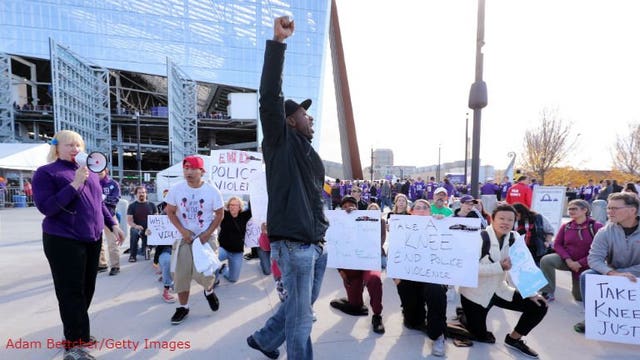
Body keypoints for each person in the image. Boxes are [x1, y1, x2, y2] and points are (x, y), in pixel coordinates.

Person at [247, 16, 329, 360]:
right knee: (301, 320)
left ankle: (266, 339)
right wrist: (278, 44)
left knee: (299, 308)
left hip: (314, 246)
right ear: (290, 120)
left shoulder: (308, 151)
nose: (310, 119)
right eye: (304, 115)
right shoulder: (280, 142)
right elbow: (269, 96)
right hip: (294, 248)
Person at [32, 130, 125, 360]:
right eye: (69, 145)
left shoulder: (91, 173)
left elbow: (98, 204)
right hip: (63, 240)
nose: (75, 149)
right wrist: (74, 184)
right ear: (57, 148)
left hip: (91, 239)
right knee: (71, 292)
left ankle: (79, 333)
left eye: (78, 145)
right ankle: (73, 345)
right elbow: (47, 207)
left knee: (86, 289)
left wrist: (113, 224)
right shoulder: (46, 173)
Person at [459, 204, 548, 359]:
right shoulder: (479, 238)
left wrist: (531, 293)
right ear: (492, 219)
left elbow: (522, 267)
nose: (506, 222)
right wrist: (499, 266)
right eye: (501, 218)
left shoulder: (514, 238)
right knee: (481, 336)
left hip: (500, 290)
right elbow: (468, 269)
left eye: (510, 220)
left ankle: (514, 339)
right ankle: (465, 315)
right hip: (475, 294)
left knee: (539, 305)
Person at [165, 155, 224, 325]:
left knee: (206, 273)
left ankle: (209, 291)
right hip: (184, 238)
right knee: (181, 274)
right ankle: (183, 307)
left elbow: (220, 214)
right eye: (185, 168)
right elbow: (170, 211)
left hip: (205, 237)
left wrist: (207, 234)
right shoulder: (176, 189)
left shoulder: (212, 191)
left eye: (192, 168)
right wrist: (183, 231)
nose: (188, 172)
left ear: (201, 171)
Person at [573, 192, 640, 333]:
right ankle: (592, 317)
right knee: (587, 275)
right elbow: (594, 259)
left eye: (615, 208)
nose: (609, 212)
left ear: (632, 210)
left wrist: (622, 273)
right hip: (613, 273)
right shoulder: (605, 231)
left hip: (635, 274)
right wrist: (611, 273)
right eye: (608, 208)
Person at [394, 199, 447, 356]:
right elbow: (394, 252)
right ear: (412, 212)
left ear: (430, 212)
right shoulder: (403, 227)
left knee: (435, 292)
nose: (422, 210)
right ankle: (412, 314)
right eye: (418, 208)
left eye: (425, 208)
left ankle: (438, 336)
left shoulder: (440, 225)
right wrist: (396, 277)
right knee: (412, 322)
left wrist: (442, 224)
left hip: (432, 277)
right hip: (409, 276)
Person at [329, 196, 385, 334]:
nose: (348, 207)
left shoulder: (366, 220)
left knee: (374, 280)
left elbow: (379, 232)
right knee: (356, 306)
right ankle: (351, 301)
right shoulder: (337, 224)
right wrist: (340, 270)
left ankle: (377, 315)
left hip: (368, 263)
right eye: (345, 205)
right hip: (350, 267)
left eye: (351, 204)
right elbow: (334, 248)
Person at [539, 200, 603, 302]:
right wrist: (568, 260)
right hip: (568, 261)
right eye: (569, 209)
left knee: (579, 297)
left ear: (584, 210)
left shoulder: (596, 226)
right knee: (546, 260)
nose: (571, 211)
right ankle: (548, 292)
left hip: (587, 265)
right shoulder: (566, 226)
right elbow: (557, 244)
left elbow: (601, 251)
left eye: (574, 209)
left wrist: (579, 263)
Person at [217, 196, 252, 283]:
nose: (232, 207)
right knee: (212, 262)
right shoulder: (224, 214)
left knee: (233, 279)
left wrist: (254, 189)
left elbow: (253, 206)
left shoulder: (244, 216)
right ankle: (214, 280)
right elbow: (216, 205)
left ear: (239, 207)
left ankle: (224, 269)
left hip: (237, 252)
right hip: (223, 249)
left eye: (235, 205)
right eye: (230, 205)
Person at [97, 168, 122, 275]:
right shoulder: (91, 183)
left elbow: (115, 199)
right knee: (97, 242)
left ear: (106, 170)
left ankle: (115, 266)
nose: (98, 172)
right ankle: (102, 264)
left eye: (101, 170)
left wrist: (102, 198)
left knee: (112, 241)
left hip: (110, 216)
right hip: (95, 217)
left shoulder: (113, 184)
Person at [126, 186, 157, 262]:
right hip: (137, 228)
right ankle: (132, 255)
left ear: (146, 194)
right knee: (133, 231)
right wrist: (136, 226)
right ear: (136, 194)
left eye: (143, 192)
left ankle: (146, 249)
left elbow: (156, 220)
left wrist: (150, 228)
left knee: (145, 253)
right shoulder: (132, 206)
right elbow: (129, 221)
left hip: (149, 229)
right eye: (139, 193)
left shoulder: (152, 205)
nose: (141, 194)